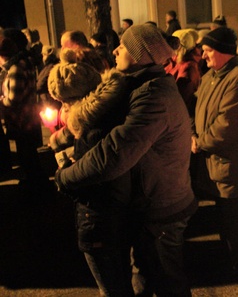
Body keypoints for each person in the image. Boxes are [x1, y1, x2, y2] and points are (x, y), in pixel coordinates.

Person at [54, 24, 197, 296]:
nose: (116, 49)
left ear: (140, 55)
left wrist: (65, 177)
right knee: (146, 278)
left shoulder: (153, 96)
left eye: (124, 45)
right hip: (154, 205)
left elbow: (114, 153)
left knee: (169, 284)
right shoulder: (144, 87)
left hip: (162, 209)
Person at [47, 59, 137, 296]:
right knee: (121, 282)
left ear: (71, 101)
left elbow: (93, 177)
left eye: (63, 103)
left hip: (99, 218)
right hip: (117, 212)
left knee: (112, 289)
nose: (61, 109)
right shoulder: (106, 114)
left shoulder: (90, 129)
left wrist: (64, 172)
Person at [191, 26, 238, 270]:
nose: (204, 55)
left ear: (224, 52)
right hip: (215, 161)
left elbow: (227, 124)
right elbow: (198, 110)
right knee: (223, 216)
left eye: (208, 50)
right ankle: (228, 259)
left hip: (230, 162)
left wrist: (199, 142)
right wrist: (192, 131)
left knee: (232, 219)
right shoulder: (212, 76)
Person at [0, 29, 50, 188]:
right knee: (28, 153)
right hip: (28, 115)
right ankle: (35, 181)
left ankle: (37, 184)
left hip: (21, 118)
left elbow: (14, 99)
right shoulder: (24, 62)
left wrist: (2, 100)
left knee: (26, 153)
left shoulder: (15, 69)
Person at [165, 28, 201, 116]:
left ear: (179, 46)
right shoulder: (173, 61)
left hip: (179, 113)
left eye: (173, 43)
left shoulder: (188, 67)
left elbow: (182, 96)